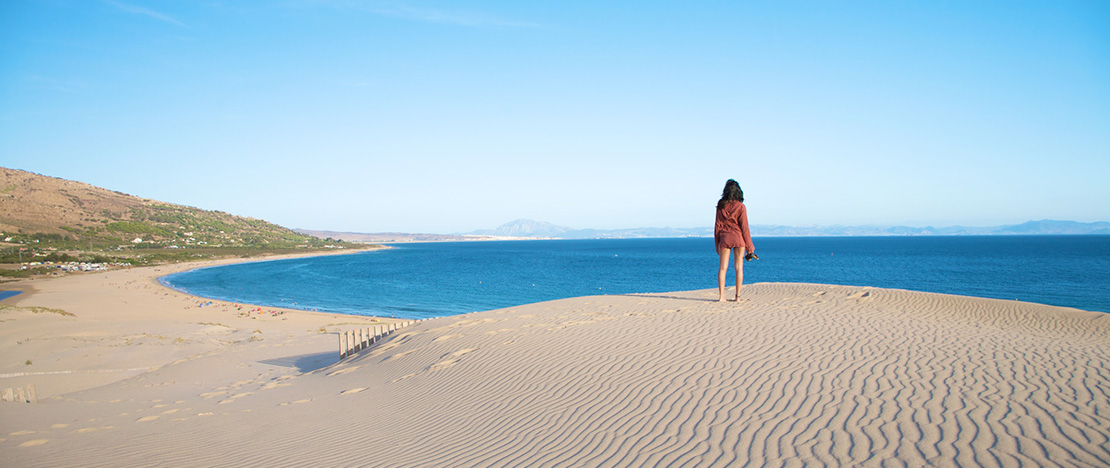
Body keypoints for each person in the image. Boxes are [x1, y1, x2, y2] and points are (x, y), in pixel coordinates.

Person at [714, 179, 755, 302]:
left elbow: (717, 226)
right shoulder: (741, 207)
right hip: (738, 238)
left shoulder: (721, 205)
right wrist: (750, 247)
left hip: (725, 238)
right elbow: (744, 228)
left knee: (722, 268)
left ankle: (722, 296)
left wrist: (717, 244)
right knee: (739, 268)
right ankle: (738, 297)